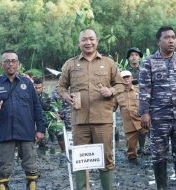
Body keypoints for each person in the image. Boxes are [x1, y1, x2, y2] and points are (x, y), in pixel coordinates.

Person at [57, 28, 124, 190]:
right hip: (79, 121)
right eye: (84, 40)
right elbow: (61, 87)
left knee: (106, 158)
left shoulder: (108, 63)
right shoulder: (71, 64)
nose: (88, 42)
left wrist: (111, 91)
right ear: (79, 43)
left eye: (91, 39)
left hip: (103, 121)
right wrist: (66, 96)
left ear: (97, 41)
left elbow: (120, 84)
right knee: (81, 159)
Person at [139, 26, 176, 189]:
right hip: (158, 118)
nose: (171, 40)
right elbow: (144, 89)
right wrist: (144, 113)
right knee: (159, 155)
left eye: (173, 37)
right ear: (158, 41)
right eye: (167, 37)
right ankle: (162, 187)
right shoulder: (148, 62)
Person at [0, 49, 45, 190]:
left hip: (26, 131)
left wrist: (40, 129)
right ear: (1, 64)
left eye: (13, 61)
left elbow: (37, 107)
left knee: (31, 168)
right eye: (7, 61)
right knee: (3, 170)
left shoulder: (27, 83)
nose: (10, 64)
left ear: (18, 64)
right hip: (5, 133)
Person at [113, 70, 148, 165]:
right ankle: (132, 158)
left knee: (147, 134)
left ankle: (143, 149)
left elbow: (147, 102)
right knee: (131, 143)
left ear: (132, 78)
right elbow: (112, 107)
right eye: (123, 77)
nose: (126, 79)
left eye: (128, 77)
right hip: (128, 122)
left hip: (141, 119)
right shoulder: (117, 93)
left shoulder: (139, 90)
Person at [126, 47, 149, 155]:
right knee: (130, 126)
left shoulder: (144, 70)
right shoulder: (124, 72)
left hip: (141, 99)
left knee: (143, 125)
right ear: (129, 58)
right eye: (131, 55)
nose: (134, 57)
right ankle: (132, 150)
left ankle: (142, 148)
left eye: (136, 55)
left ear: (139, 58)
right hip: (128, 100)